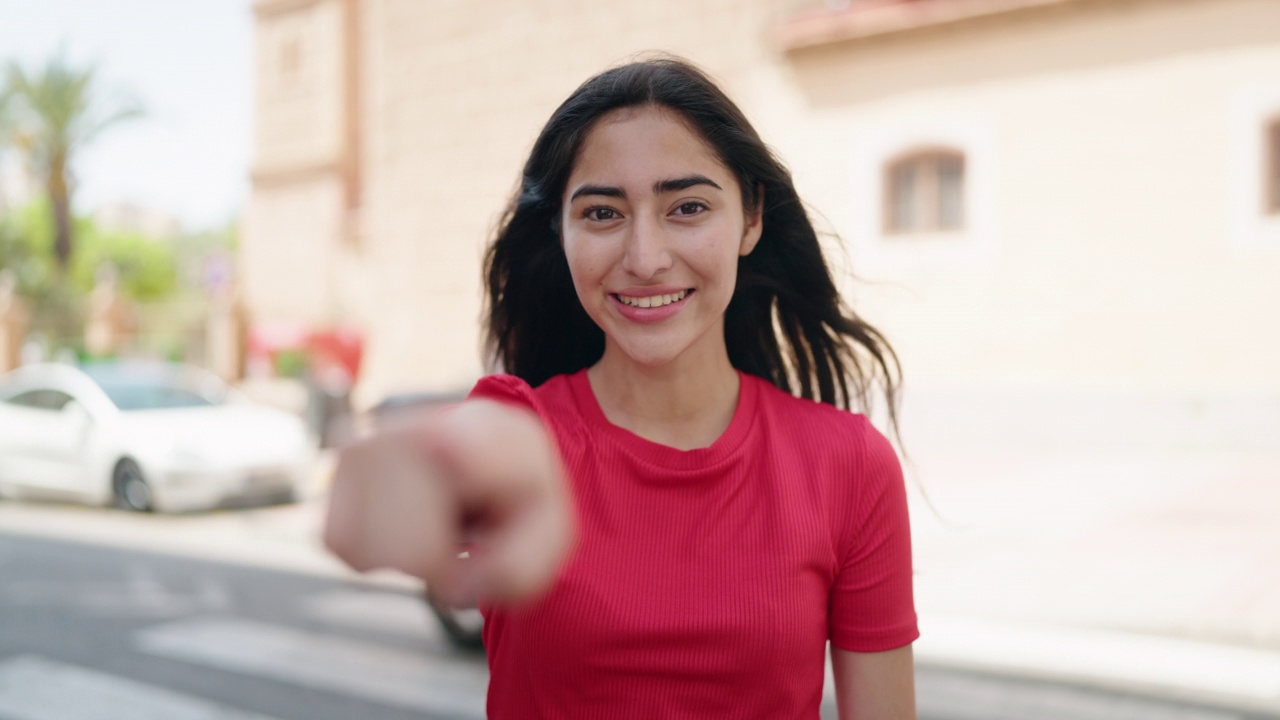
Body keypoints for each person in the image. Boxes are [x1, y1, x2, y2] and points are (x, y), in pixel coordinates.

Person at [324, 56, 917, 719]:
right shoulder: (518, 432)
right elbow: (440, 470)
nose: (645, 257)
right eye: (603, 213)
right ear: (563, 232)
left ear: (751, 216)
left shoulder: (850, 466)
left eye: (687, 207)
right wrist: (401, 481)